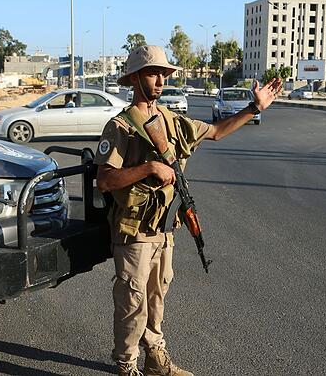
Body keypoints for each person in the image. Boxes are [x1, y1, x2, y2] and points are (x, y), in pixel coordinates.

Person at [94, 45, 282, 376]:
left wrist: (254, 107)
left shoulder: (172, 121)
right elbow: (105, 180)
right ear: (134, 78)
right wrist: (149, 167)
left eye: (163, 75)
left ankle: (155, 358)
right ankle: (126, 367)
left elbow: (218, 132)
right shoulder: (120, 127)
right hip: (135, 232)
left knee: (156, 299)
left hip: (164, 230)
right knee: (131, 304)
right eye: (153, 74)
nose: (160, 81)